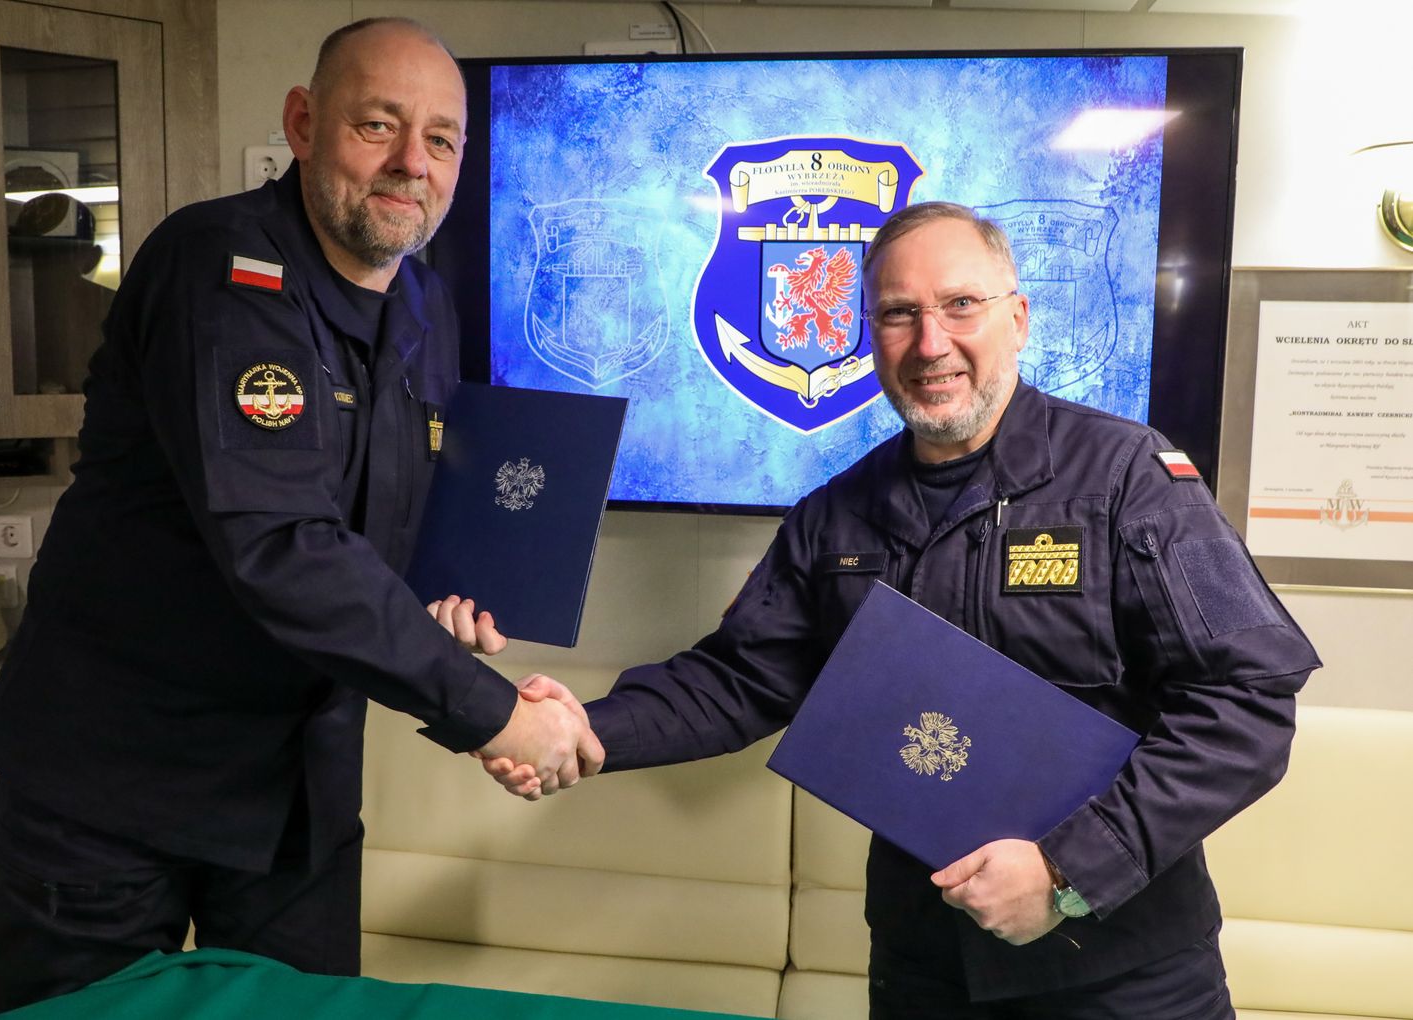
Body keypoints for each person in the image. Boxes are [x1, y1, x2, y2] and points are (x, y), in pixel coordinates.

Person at [487, 202, 1320, 1017]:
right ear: (869, 336)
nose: (930, 343)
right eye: (898, 313)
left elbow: (1248, 700)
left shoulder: (1130, 478)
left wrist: (1068, 873)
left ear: (1018, 319)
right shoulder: (836, 516)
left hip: (1121, 973)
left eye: (960, 304)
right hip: (926, 967)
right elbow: (739, 680)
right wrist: (583, 728)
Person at [0, 17, 600, 1014]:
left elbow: (378, 523)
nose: (411, 163)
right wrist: (494, 716)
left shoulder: (426, 307)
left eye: (440, 139)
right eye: (377, 126)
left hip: (295, 799)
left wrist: (442, 600)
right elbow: (281, 545)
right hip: (113, 791)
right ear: (303, 124)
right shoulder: (221, 268)